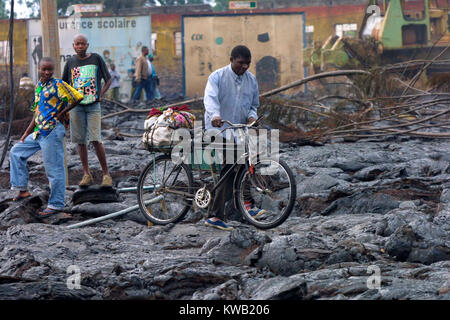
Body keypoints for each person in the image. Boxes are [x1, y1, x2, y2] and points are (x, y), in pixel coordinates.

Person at [9, 57, 83, 217]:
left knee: (54, 169)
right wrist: (26, 133)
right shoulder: (38, 87)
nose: (47, 72)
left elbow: (77, 97)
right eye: (44, 69)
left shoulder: (59, 85)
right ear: (39, 69)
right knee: (16, 152)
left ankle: (56, 204)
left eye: (50, 69)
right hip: (39, 131)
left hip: (52, 131)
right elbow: (36, 113)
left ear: (54, 69)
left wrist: (62, 113)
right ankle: (22, 190)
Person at [203, 45, 264, 231]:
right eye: (241, 63)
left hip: (239, 130)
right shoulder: (217, 77)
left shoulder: (251, 80)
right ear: (231, 59)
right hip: (218, 130)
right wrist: (215, 115)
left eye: (247, 64)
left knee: (251, 161)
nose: (244, 67)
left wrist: (252, 117)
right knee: (231, 165)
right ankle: (215, 215)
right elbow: (210, 99)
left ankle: (245, 206)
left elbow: (253, 105)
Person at [62, 34, 113, 187]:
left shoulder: (96, 59)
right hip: (76, 107)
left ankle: (106, 175)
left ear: (87, 45)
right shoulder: (70, 62)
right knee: (80, 141)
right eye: (77, 44)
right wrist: (67, 104)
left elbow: (108, 79)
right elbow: (64, 85)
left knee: (96, 139)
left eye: (82, 44)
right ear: (73, 46)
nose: (80, 47)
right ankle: (86, 174)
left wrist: (101, 94)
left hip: (93, 106)